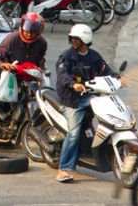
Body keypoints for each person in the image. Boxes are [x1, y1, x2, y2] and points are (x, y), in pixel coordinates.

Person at [55, 23, 120, 183]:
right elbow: (62, 74)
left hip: (90, 97)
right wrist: (73, 84)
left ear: (85, 40)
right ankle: (64, 168)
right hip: (72, 100)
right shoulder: (66, 56)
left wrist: (117, 77)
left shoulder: (94, 56)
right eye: (72, 39)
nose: (73, 42)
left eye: (76, 39)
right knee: (74, 133)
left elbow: (105, 70)